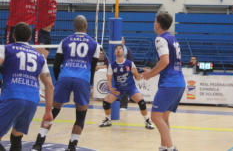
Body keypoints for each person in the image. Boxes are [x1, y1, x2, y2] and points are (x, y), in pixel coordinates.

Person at [31, 15, 100, 151]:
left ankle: (38, 144)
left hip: (65, 77)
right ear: (86, 26)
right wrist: (89, 83)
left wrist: (59, 80)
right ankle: (72, 146)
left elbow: (56, 65)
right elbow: (92, 68)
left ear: (74, 26)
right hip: (82, 79)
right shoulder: (94, 44)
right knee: (80, 116)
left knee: (53, 111)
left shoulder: (64, 41)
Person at [0, 22, 54, 151]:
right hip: (31, 100)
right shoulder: (40, 57)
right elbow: (49, 85)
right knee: (17, 136)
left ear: (13, 36)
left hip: (12, 95)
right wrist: (48, 111)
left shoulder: (5, 48)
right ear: (30, 38)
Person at [141, 12, 185, 151]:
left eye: (154, 22)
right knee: (163, 118)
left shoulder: (160, 39)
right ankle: (163, 147)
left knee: (155, 117)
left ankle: (171, 148)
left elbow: (165, 61)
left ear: (158, 24)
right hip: (179, 82)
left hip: (170, 83)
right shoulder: (173, 38)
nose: (154, 24)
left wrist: (150, 74)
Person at [98, 45, 154, 130]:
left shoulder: (130, 63)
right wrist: (110, 88)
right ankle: (108, 119)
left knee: (141, 102)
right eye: (116, 49)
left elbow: (137, 78)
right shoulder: (112, 65)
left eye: (120, 48)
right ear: (114, 53)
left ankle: (147, 121)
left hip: (130, 88)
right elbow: (108, 80)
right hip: (118, 88)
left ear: (123, 52)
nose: (118, 50)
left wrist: (138, 74)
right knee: (106, 101)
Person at [120, 36, 134, 111]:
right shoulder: (114, 50)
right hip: (116, 72)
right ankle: (115, 105)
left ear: (124, 41)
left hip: (125, 72)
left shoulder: (127, 50)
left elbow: (131, 62)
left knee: (124, 88)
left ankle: (123, 106)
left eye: (121, 39)